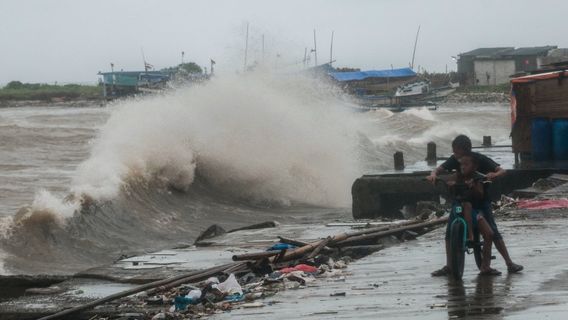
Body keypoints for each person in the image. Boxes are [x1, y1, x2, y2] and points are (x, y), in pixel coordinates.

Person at [429, 135, 524, 276]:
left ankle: (509, 263)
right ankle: (449, 266)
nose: (456, 158)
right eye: (454, 152)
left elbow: (501, 171)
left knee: (492, 231)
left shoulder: (479, 160)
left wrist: (493, 175)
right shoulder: (455, 160)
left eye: (457, 152)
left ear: (466, 150)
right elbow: (439, 169)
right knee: (449, 232)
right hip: (462, 200)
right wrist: (434, 174)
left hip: (480, 201)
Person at [447, 153, 496, 274]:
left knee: (489, 234)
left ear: (474, 167)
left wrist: (473, 187)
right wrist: (450, 185)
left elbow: (480, 194)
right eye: (461, 164)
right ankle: (451, 263)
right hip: (458, 209)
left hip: (473, 211)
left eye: (466, 164)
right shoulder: (456, 176)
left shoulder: (477, 178)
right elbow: (449, 185)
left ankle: (485, 266)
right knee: (449, 231)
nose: (463, 167)